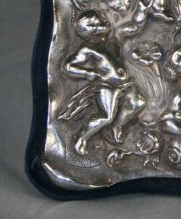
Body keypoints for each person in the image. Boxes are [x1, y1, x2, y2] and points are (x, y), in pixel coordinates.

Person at [59, 11, 145, 155]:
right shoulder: (88, 49)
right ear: (89, 32)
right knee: (106, 116)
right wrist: (88, 73)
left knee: (138, 103)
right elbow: (68, 66)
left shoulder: (111, 43)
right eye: (96, 24)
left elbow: (132, 29)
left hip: (124, 83)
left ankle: (116, 126)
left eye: (100, 20)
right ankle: (81, 139)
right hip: (107, 85)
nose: (103, 23)